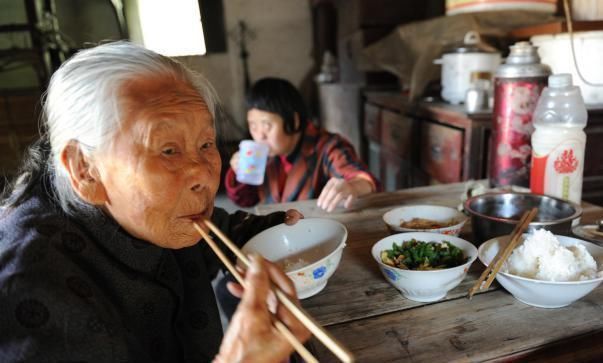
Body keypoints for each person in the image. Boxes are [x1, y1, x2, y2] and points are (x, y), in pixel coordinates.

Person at [0, 41, 309, 362]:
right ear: (85, 170)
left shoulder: (160, 213)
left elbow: (219, 231)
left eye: (206, 143)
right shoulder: (29, 294)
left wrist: (277, 230)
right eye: (168, 150)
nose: (202, 174)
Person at [225, 77, 379, 212]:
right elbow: (245, 200)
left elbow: (362, 180)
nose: (260, 135)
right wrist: (239, 173)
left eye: (267, 125)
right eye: (253, 125)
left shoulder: (328, 146)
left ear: (294, 120)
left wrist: (353, 187)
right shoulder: (264, 156)